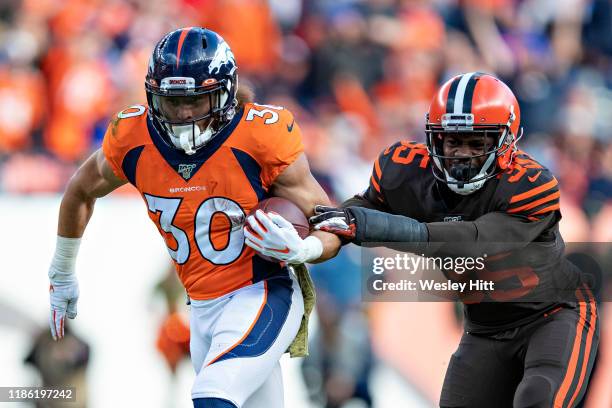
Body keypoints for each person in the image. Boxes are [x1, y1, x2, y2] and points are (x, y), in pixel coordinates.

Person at [47, 27, 341, 408]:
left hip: (262, 293)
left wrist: (305, 248)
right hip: (200, 307)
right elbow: (79, 192)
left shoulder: (259, 136)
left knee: (212, 396)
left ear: (224, 94)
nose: (184, 113)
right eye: (173, 102)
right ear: (153, 96)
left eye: (197, 101)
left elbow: (333, 222)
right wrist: (62, 271)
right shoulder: (133, 136)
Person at [303, 72, 599, 407]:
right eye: (453, 141)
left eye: (477, 143)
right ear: (434, 138)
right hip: (484, 329)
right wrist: (309, 243)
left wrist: (362, 225)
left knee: (538, 398)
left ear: (506, 144)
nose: (461, 154)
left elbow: (470, 240)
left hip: (553, 317)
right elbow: (349, 217)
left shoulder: (531, 185)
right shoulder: (405, 169)